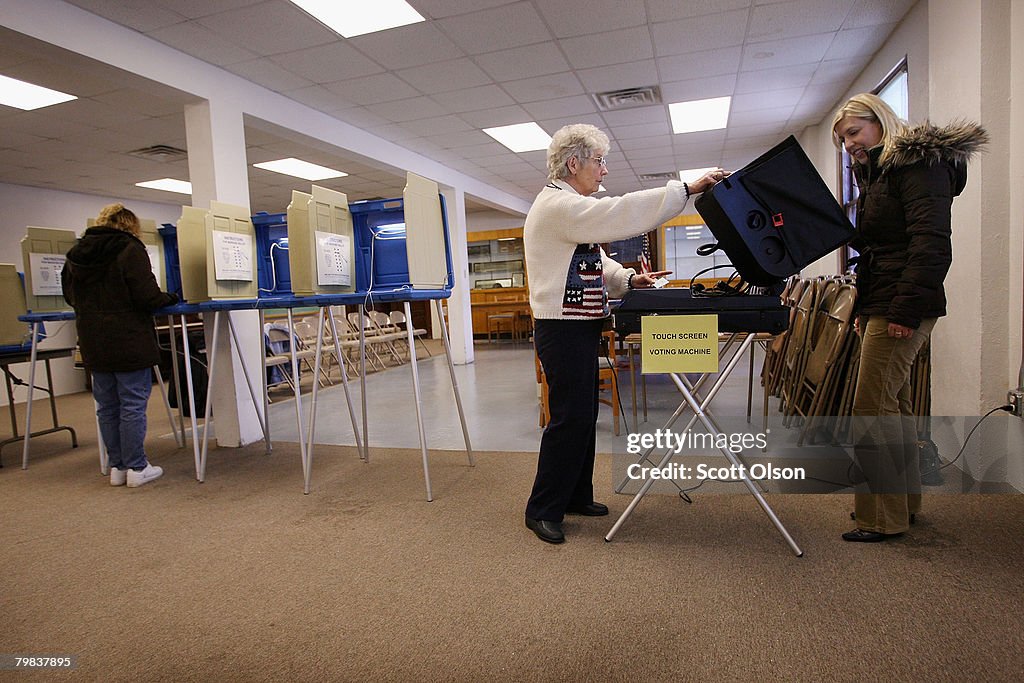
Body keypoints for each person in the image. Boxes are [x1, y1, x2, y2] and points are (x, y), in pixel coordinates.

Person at [523, 123, 725, 543]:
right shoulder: (558, 206)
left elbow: (595, 261)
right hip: (561, 329)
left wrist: (631, 280)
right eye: (599, 161)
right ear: (573, 163)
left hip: (578, 326)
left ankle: (576, 495)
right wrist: (684, 190)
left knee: (584, 415)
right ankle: (542, 508)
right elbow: (618, 213)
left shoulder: (569, 208)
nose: (605, 171)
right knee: (569, 417)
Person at [831, 94, 987, 542]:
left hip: (903, 303)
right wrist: (866, 308)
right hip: (886, 300)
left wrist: (903, 310)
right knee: (893, 409)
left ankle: (881, 518)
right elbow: (878, 250)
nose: (849, 144)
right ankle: (904, 505)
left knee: (870, 410)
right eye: (843, 139)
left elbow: (931, 245)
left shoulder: (917, 167)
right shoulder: (881, 175)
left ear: (880, 122)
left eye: (854, 133)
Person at [62, 203, 178, 488]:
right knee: (132, 405)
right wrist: (171, 298)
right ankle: (137, 468)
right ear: (130, 226)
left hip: (93, 340)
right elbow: (147, 297)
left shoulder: (75, 255)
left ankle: (118, 467)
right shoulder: (130, 249)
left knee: (107, 406)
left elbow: (69, 297)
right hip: (128, 338)